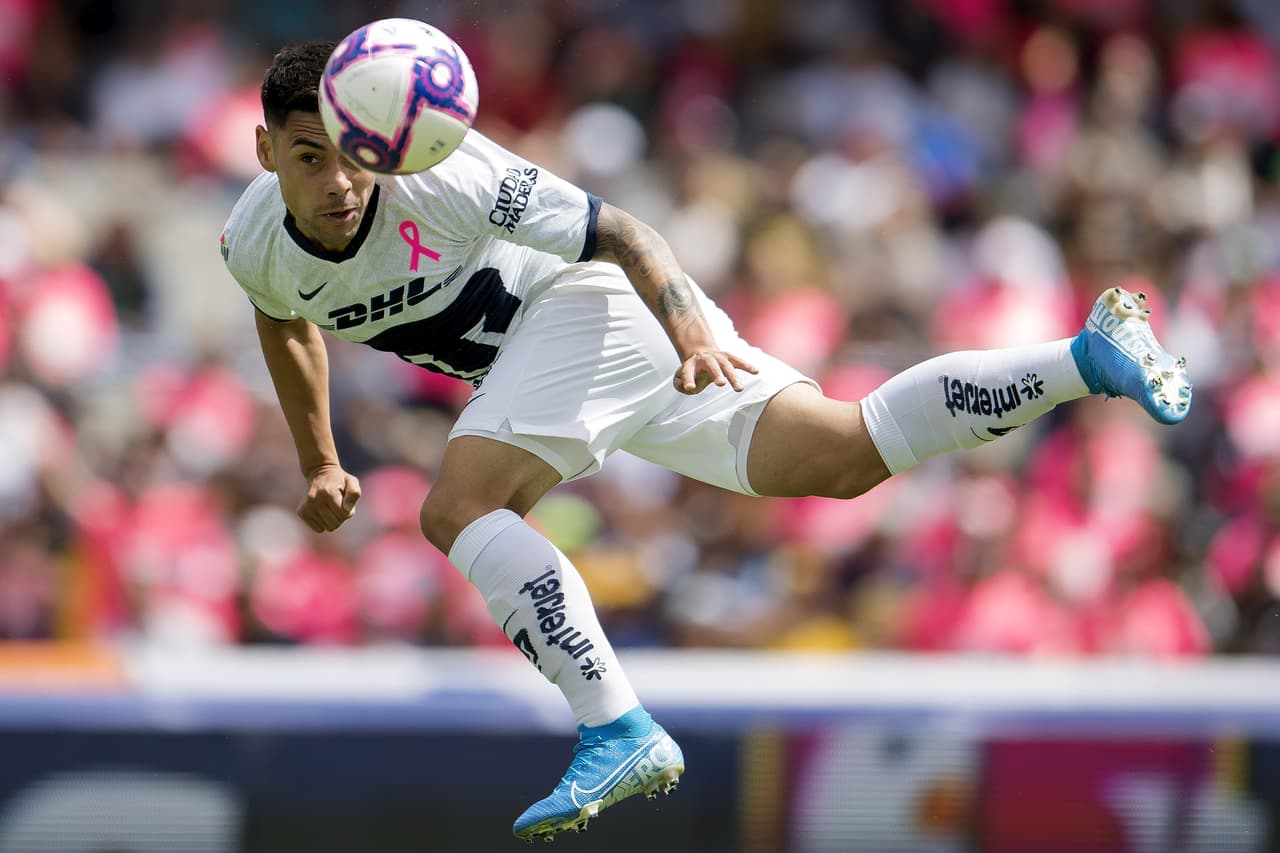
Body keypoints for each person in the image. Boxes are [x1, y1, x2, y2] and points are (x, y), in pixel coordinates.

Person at [220, 41, 1193, 842]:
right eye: (310, 157)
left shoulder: (451, 176)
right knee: (842, 455)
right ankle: (1087, 355)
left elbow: (627, 234)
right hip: (577, 364)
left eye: (351, 153)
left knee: (458, 507)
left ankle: (614, 725)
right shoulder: (250, 242)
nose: (340, 180)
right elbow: (284, 315)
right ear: (267, 152)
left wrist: (687, 328)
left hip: (594, 309)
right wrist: (319, 458)